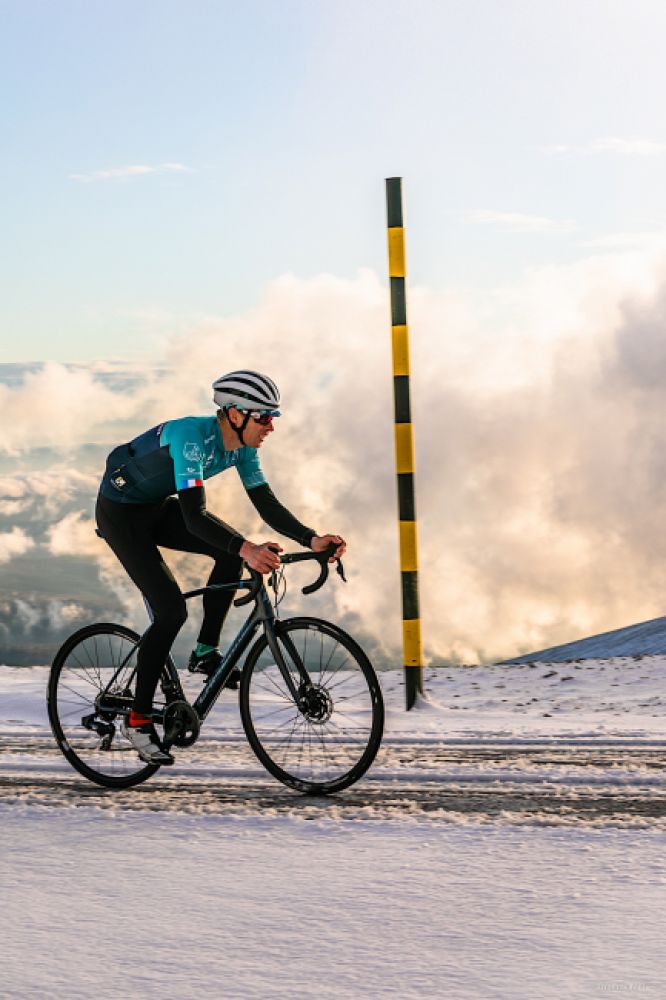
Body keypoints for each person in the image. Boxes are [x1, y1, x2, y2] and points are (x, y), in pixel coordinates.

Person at [95, 369, 345, 765]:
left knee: (229, 552)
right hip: (121, 515)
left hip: (155, 508)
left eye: (273, 417)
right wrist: (248, 548)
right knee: (171, 611)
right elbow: (195, 518)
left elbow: (267, 504)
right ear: (234, 414)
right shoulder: (191, 439)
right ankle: (139, 719)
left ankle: (204, 653)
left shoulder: (243, 450)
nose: (270, 427)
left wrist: (311, 539)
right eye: (263, 417)